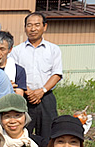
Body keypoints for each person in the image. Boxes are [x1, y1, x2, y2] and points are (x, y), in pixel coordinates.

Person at [10, 12, 62, 140]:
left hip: (46, 97)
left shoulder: (53, 49)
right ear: (25, 28)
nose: (33, 29)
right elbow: (13, 73)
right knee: (22, 132)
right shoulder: (17, 51)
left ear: (45, 27)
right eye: (29, 25)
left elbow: (56, 73)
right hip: (24, 96)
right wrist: (28, 91)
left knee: (48, 133)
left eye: (37, 25)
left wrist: (41, 91)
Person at [0, 31, 27, 96]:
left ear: (10, 50)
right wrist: (5, 86)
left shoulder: (18, 70)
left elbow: (19, 96)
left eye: (2, 49)